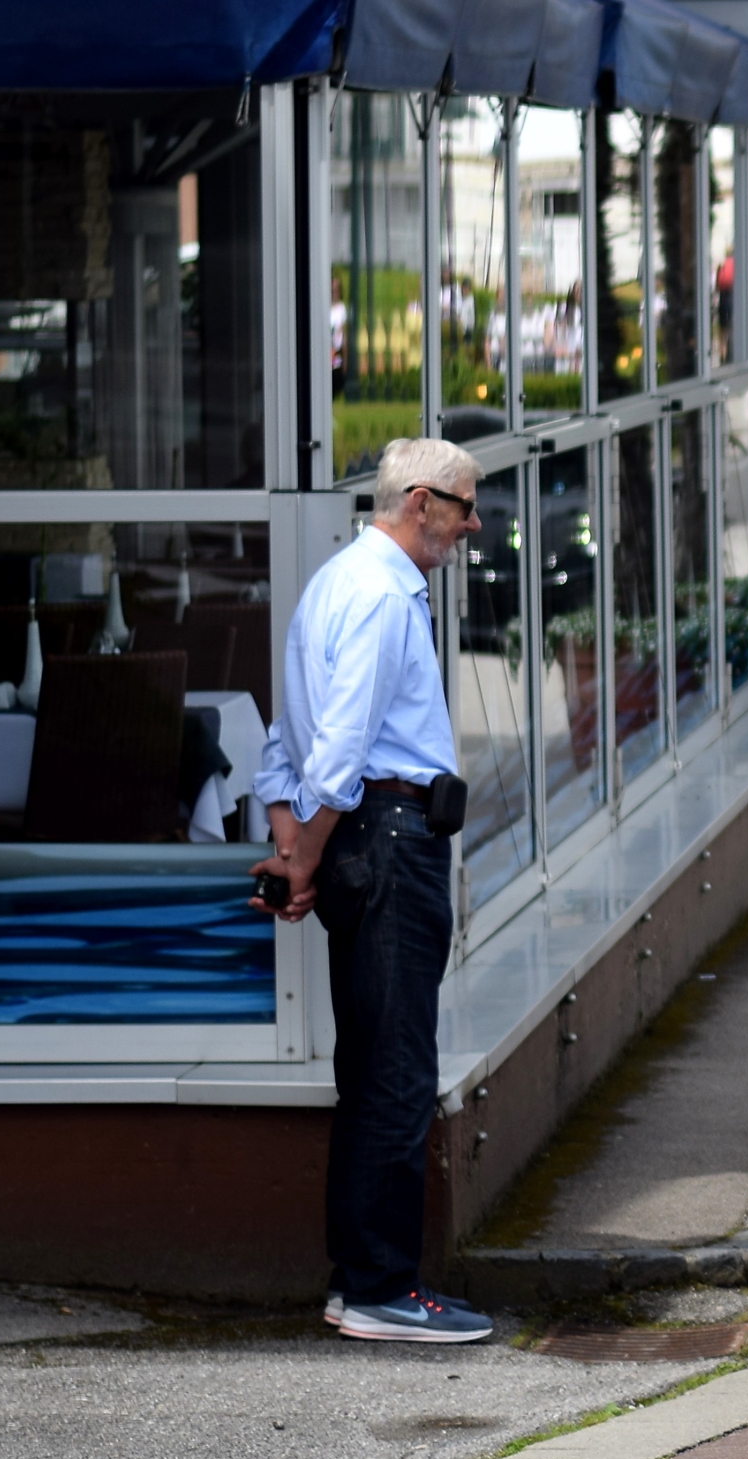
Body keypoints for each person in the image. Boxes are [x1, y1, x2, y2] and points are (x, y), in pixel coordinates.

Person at [252, 437, 492, 1345]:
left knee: (369, 1069)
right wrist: (303, 858)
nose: (473, 525)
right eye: (464, 506)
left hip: (359, 844)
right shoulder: (386, 595)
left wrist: (291, 845)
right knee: (396, 1070)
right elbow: (340, 752)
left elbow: (287, 745)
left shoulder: (331, 584)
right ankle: (384, 1288)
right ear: (420, 502)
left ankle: (358, 1280)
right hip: (388, 843)